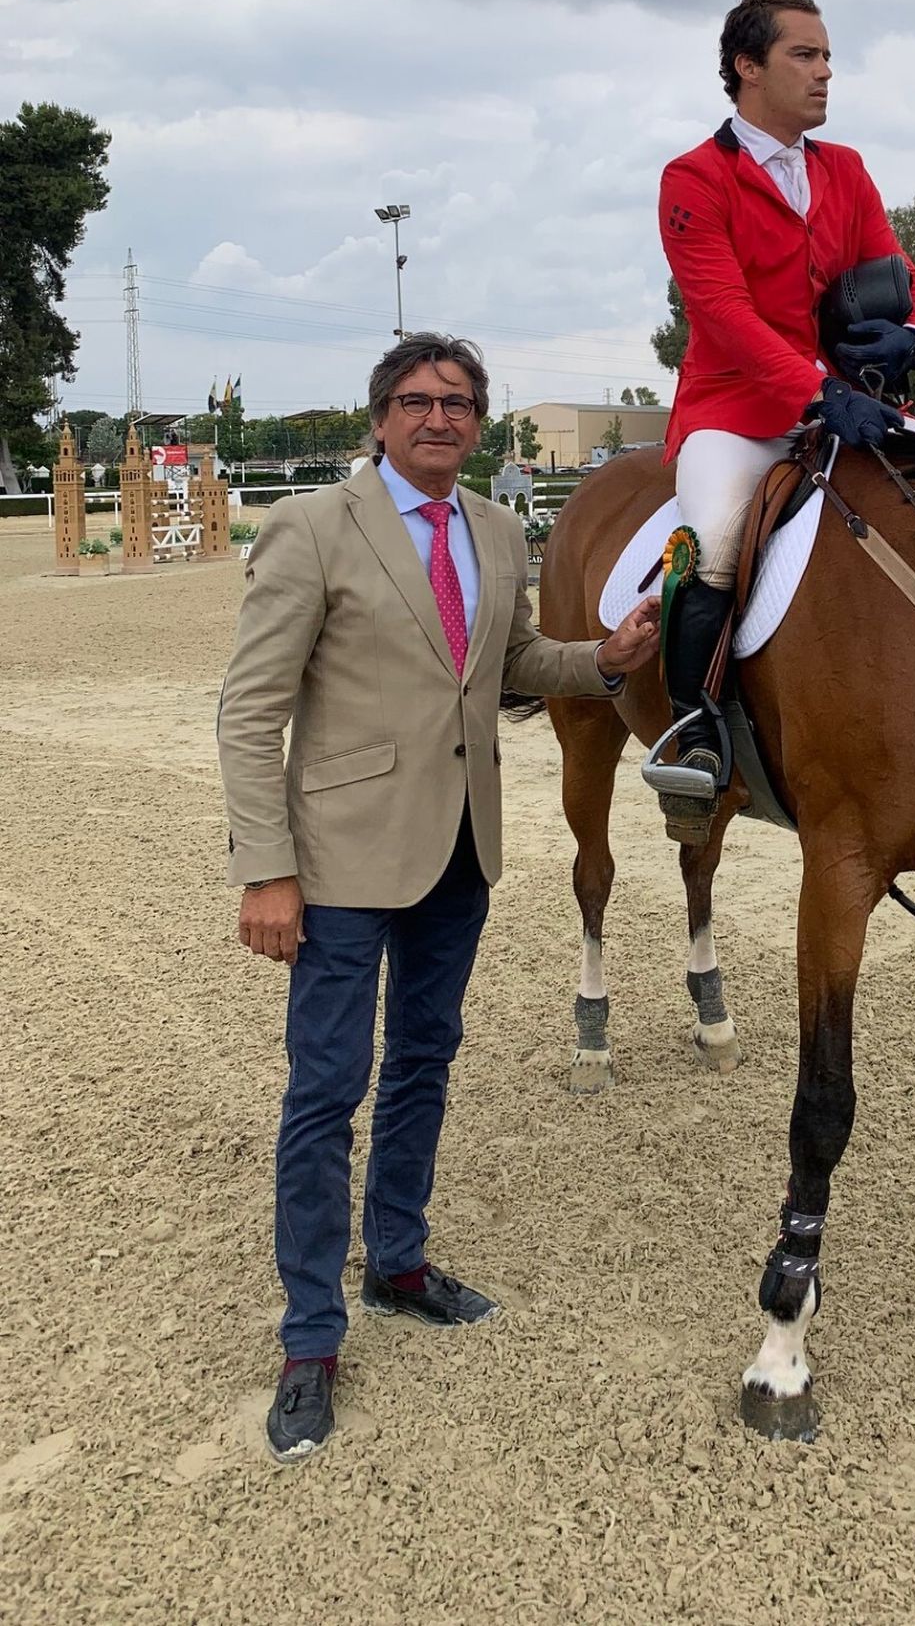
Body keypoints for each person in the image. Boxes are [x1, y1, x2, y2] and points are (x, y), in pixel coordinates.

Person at [216, 333, 660, 1464]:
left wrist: (604, 657)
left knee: (424, 1059)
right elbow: (248, 710)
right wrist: (266, 870)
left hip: (460, 853)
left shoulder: (500, 532)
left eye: (459, 402)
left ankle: (399, 1262)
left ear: (479, 424)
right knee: (326, 1089)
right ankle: (310, 1336)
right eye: (416, 401)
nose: (438, 418)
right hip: (341, 861)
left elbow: (515, 664)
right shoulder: (314, 527)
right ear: (379, 419)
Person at [651, 0, 915, 841]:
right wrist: (820, 393)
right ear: (747, 67)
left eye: (827, 58)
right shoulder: (693, 180)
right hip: (737, 413)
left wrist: (912, 331)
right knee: (714, 541)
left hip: (849, 406)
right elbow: (726, 318)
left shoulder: (844, 170)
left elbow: (901, 271)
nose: (824, 73)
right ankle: (693, 731)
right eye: (803, 56)